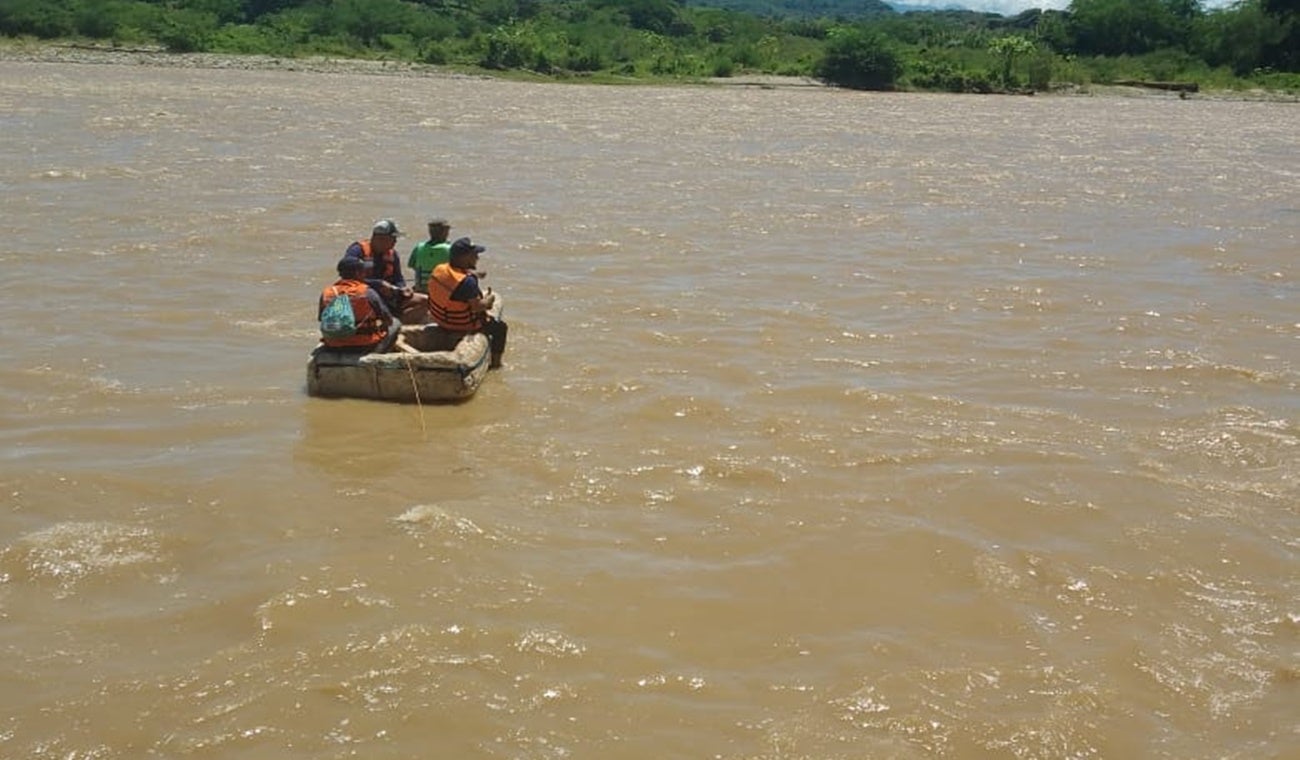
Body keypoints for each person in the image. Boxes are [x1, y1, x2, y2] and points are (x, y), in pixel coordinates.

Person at [427, 237, 508, 369]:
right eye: (474, 255)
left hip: (440, 320)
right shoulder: (468, 282)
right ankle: (496, 364)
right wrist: (489, 300)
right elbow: (477, 307)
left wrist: (474, 274)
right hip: (462, 325)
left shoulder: (440, 269)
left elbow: (456, 278)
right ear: (464, 258)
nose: (477, 258)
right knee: (501, 328)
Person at [343, 219, 430, 324]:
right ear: (379, 238)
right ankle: (388, 321)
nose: (395, 242)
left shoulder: (392, 254)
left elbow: (398, 277)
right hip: (367, 296)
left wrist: (403, 288)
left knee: (427, 301)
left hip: (390, 295)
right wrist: (378, 284)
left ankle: (398, 321)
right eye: (392, 238)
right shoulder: (357, 251)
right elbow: (347, 278)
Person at [318, 256, 399, 354]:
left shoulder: (327, 293)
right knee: (396, 323)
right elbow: (388, 320)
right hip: (363, 346)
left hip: (332, 346)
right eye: (364, 271)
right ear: (357, 273)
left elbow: (321, 319)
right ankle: (379, 352)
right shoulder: (367, 292)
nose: (365, 274)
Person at [407, 218, 452, 292]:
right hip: (441, 292)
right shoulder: (449, 249)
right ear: (445, 231)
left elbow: (411, 265)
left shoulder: (419, 247)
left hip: (421, 290)